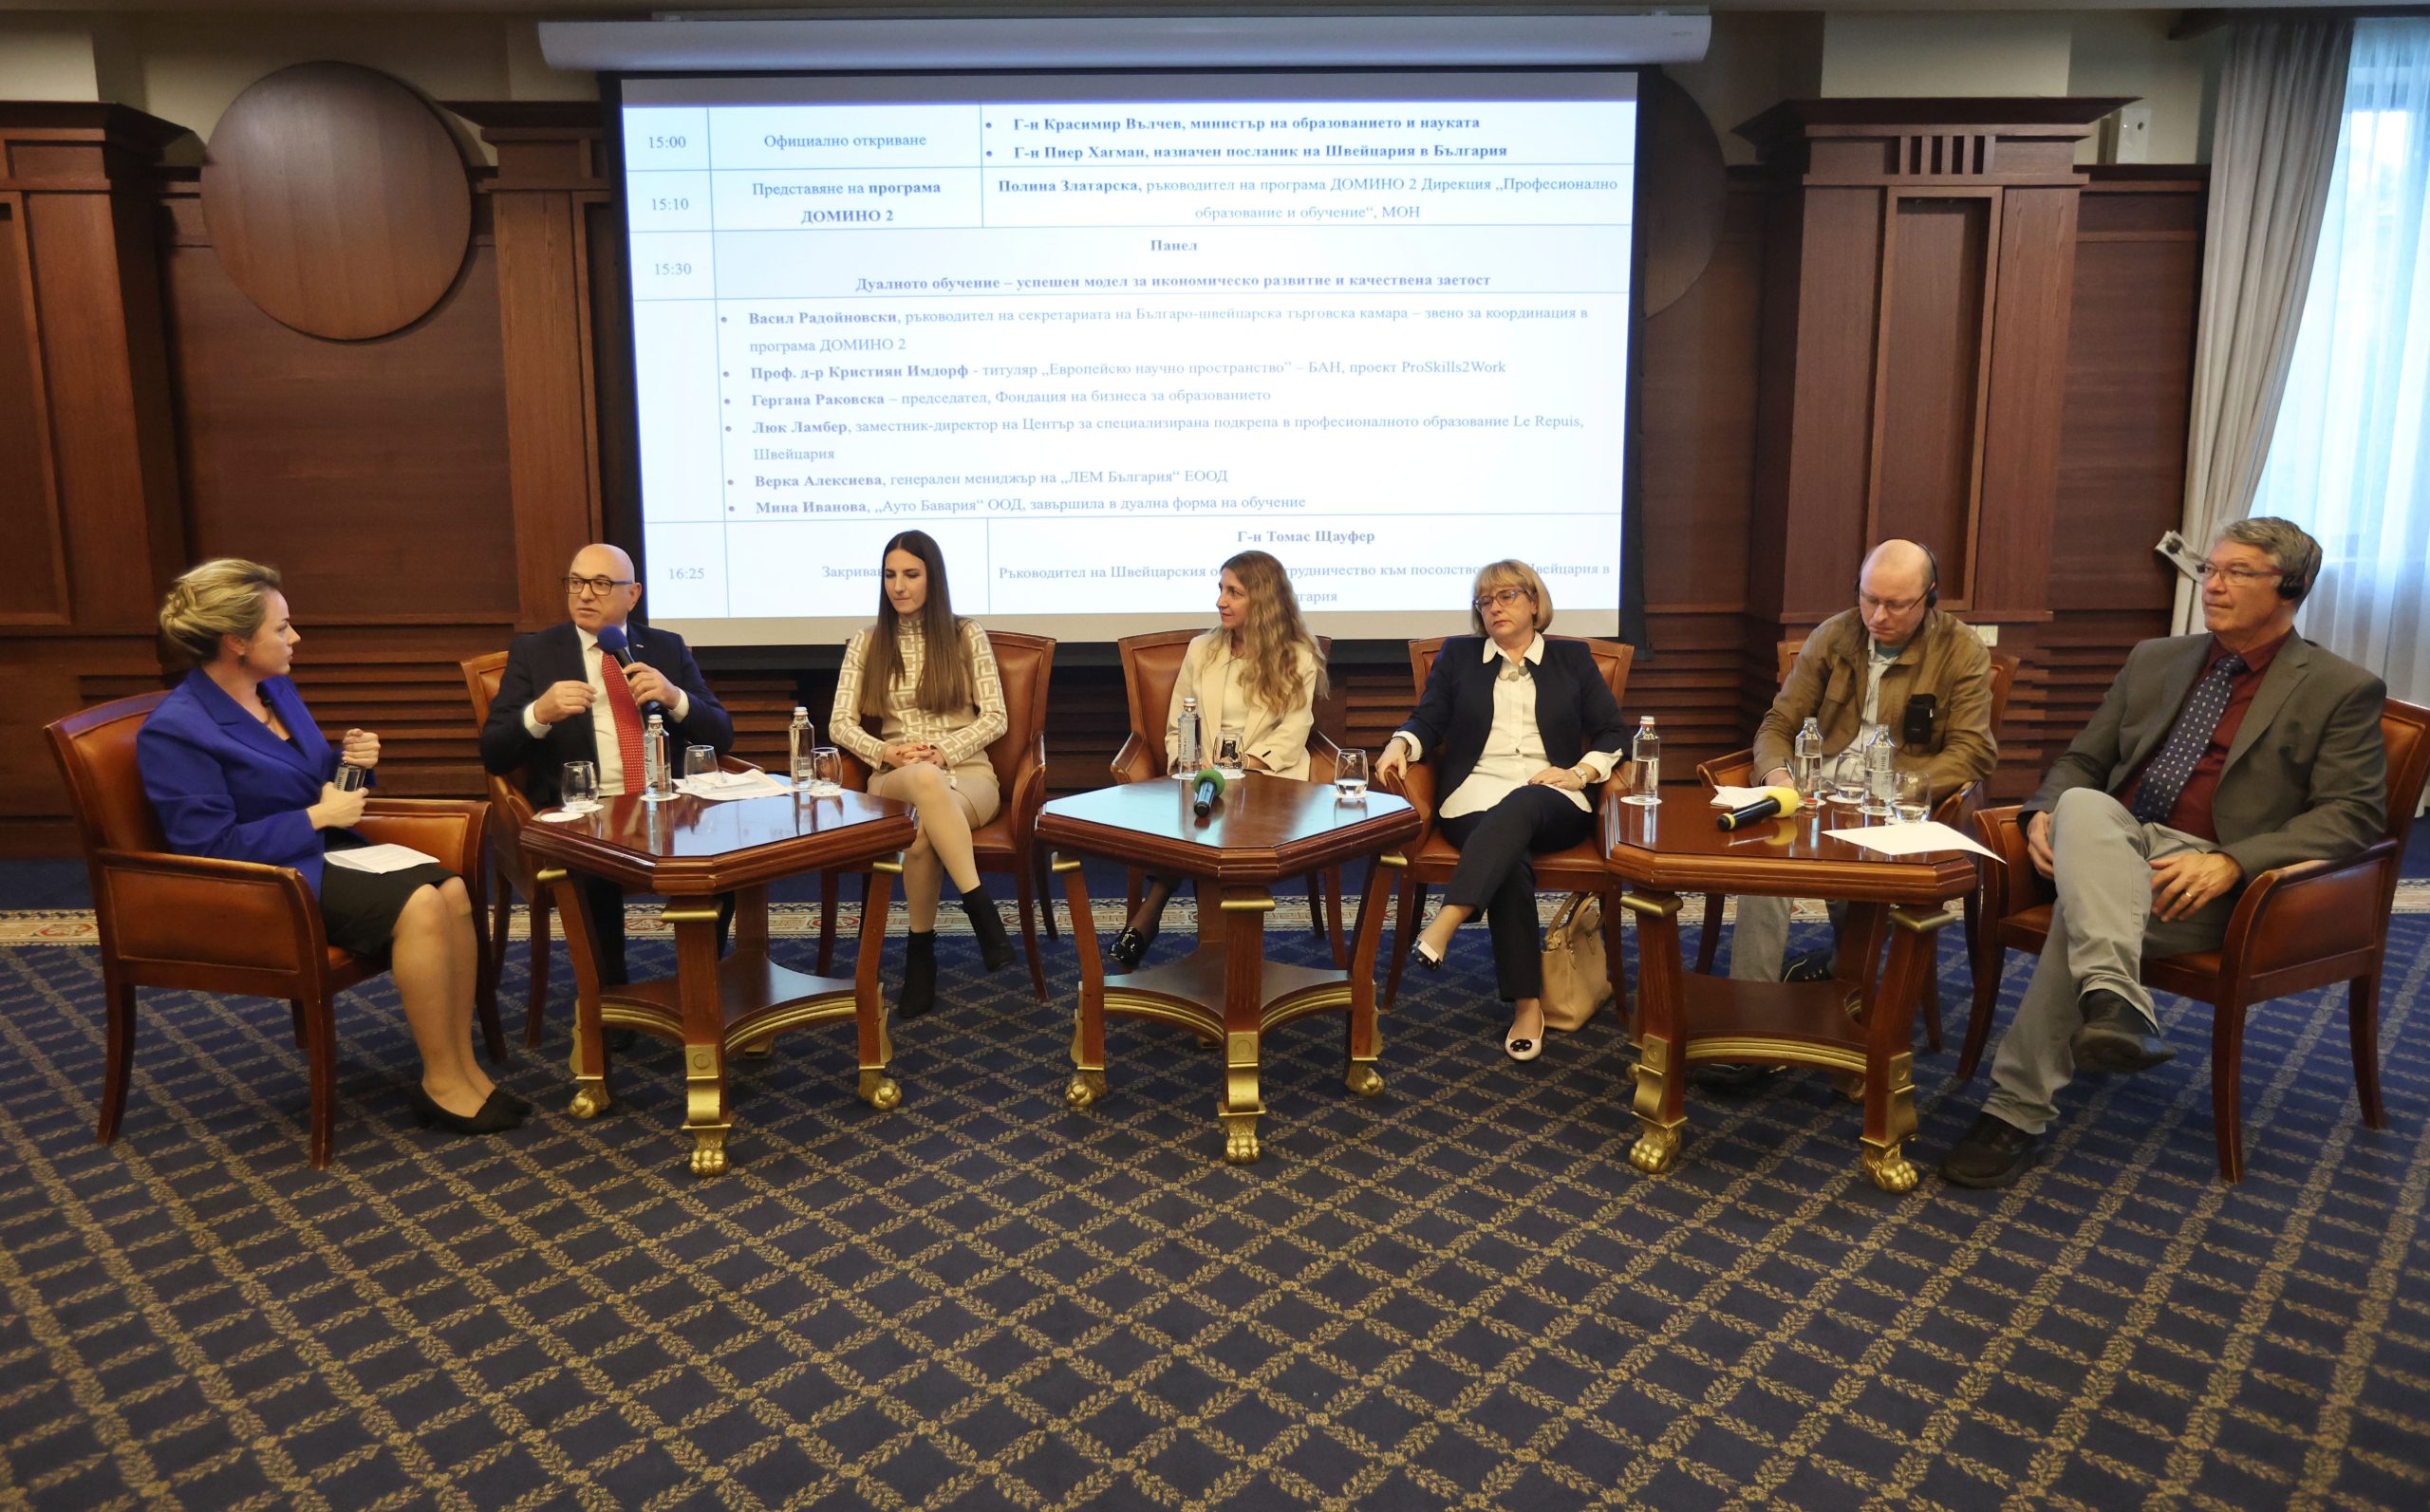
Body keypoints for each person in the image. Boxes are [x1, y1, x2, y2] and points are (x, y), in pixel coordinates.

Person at [1940, 518, 2388, 1188]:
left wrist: (2233, 862)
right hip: (2111, 841)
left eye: (2238, 572)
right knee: (2083, 804)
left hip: (2204, 879)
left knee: (2079, 916)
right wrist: (2040, 816)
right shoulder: (2156, 658)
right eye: (2211, 568)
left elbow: (2353, 815)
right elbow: (2083, 761)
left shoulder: (2339, 688)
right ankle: (2114, 1002)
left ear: (2291, 588)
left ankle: (2016, 1110)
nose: (2214, 584)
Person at [139, 559, 523, 1135]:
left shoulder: (275, 689)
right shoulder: (176, 730)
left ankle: (465, 1066)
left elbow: (309, 777)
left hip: (326, 853)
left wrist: (352, 763)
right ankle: (441, 1084)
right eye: (281, 628)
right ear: (236, 642)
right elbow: (209, 847)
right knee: (421, 904)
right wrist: (318, 816)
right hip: (270, 882)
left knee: (451, 890)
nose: (295, 637)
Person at [1701, 539, 1997, 1092]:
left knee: (1855, 884)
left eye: (1896, 604)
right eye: (1868, 599)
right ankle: (1752, 1026)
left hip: (1895, 805)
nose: (1878, 616)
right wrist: (1776, 777)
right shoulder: (1834, 635)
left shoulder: (1961, 650)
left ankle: (1848, 1010)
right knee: (1765, 868)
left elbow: (1972, 753)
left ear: (1929, 597)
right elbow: (1778, 724)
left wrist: (1896, 788)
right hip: (1816, 797)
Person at [1375, 560, 1627, 1061]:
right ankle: (1528, 1006)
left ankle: (1448, 918)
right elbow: (1428, 719)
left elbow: (1613, 732)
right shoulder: (1459, 657)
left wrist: (1580, 773)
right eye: (1485, 601)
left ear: (1534, 602)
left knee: (1525, 800)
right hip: (1473, 796)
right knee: (1509, 860)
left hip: (1553, 795)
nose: (1495, 607)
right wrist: (1399, 743)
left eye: (1507, 596)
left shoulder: (1572, 660)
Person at [478, 543, 733, 987]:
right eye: (576, 582)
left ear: (632, 594)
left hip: (667, 804)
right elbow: (494, 752)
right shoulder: (536, 652)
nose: (584, 594)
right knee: (593, 868)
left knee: (727, 861)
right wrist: (538, 713)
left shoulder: (666, 647)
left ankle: (701, 984)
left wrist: (675, 697)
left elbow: (722, 735)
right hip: (587, 811)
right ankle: (611, 994)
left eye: (600, 584)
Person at [1107, 550, 1325, 971]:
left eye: (1234, 592)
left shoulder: (1298, 656)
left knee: (1210, 821)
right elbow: (1177, 725)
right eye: (1221, 589)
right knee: (1205, 815)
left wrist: (1240, 769)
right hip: (1201, 777)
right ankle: (1219, 959)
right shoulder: (1202, 649)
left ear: (1263, 600)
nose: (1220, 601)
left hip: (1267, 779)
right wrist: (1188, 765)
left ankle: (1153, 912)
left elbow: (1293, 733)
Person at [830, 530, 1017, 1017]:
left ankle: (921, 956)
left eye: (911, 575)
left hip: (969, 775)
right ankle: (980, 908)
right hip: (896, 777)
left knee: (920, 836)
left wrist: (943, 751)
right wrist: (887, 753)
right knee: (923, 783)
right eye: (890, 575)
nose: (899, 586)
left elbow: (996, 717)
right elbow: (839, 723)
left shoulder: (965, 634)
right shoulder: (867, 641)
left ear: (933, 578)